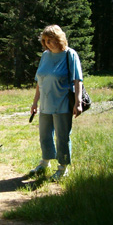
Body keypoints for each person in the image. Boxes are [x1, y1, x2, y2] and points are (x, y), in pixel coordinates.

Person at [30, 24, 83, 181]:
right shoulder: (45, 56)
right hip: (45, 104)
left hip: (62, 103)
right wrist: (34, 103)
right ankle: (44, 163)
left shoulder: (70, 55)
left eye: (51, 40)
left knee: (62, 137)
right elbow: (40, 81)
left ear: (59, 38)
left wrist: (78, 102)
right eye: (45, 41)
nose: (48, 43)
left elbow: (77, 80)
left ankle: (63, 167)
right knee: (44, 135)